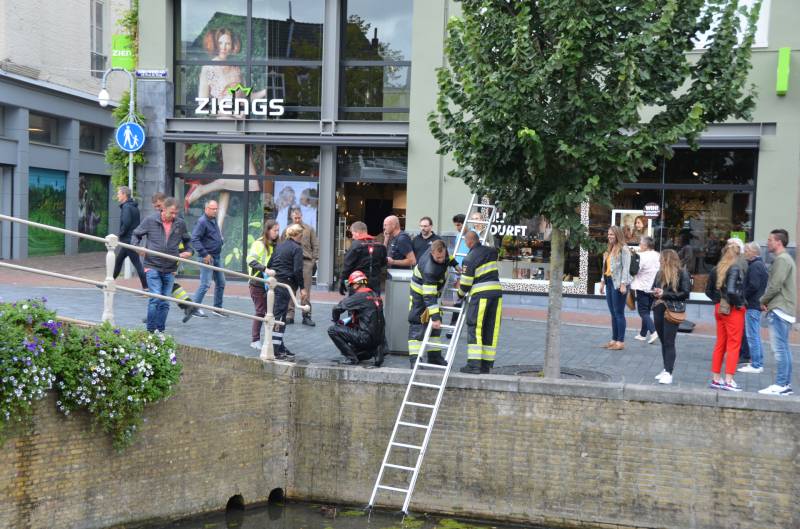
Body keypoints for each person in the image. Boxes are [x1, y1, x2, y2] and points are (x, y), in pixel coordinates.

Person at [183, 28, 264, 228]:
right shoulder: (208, 69)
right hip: (226, 123)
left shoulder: (237, 68)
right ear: (214, 44)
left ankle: (218, 228)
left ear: (233, 44)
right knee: (245, 177)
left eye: (228, 43)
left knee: (232, 176)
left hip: (240, 123)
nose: (225, 47)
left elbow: (244, 97)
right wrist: (229, 111)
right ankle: (200, 191)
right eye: (221, 43)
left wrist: (263, 92)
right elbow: (204, 103)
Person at [131, 197, 193, 333]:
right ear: (163, 209)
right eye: (172, 212)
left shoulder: (180, 224)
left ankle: (160, 331)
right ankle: (151, 331)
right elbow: (136, 235)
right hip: (152, 265)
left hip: (170, 268)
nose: (174, 216)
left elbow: (188, 241)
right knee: (156, 298)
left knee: (165, 302)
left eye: (176, 213)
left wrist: (188, 252)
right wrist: (137, 248)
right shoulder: (150, 220)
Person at [457, 230, 503, 374]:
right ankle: (486, 365)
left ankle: (474, 365)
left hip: (481, 295)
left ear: (469, 242)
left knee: (475, 327)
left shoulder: (468, 259)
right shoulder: (491, 252)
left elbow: (465, 284)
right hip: (497, 294)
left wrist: (459, 294)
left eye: (466, 242)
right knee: (491, 329)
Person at [758, 229, 797, 396]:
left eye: (770, 240)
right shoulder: (787, 259)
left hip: (780, 309)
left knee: (779, 349)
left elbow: (775, 285)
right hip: (785, 308)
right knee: (784, 349)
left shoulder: (782, 260)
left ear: (778, 242)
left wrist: (763, 300)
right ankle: (785, 384)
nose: (768, 243)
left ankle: (781, 384)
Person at [706, 241, 747, 391]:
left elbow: (708, 291)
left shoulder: (717, 268)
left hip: (719, 309)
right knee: (734, 345)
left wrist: (718, 301)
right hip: (732, 310)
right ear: (737, 254)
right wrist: (740, 304)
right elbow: (731, 291)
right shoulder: (735, 267)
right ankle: (729, 380)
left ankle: (716, 378)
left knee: (720, 344)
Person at [328, 270, 387, 366]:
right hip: (378, 340)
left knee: (332, 330)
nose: (351, 288)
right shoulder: (376, 296)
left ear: (356, 284)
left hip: (365, 338)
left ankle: (351, 359)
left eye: (351, 285)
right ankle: (375, 351)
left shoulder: (359, 296)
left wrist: (336, 320)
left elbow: (337, 308)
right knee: (354, 347)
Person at [408, 240, 452, 367]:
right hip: (420, 294)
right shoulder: (429, 269)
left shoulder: (441, 250)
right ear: (432, 253)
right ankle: (415, 360)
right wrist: (435, 318)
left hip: (432, 292)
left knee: (435, 327)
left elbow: (448, 257)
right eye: (438, 258)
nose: (441, 260)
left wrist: (453, 263)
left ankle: (434, 356)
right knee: (417, 322)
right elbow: (429, 296)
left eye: (442, 257)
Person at [651, 249, 691, 384]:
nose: (659, 261)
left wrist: (664, 294)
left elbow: (685, 294)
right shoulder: (659, 273)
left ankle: (669, 372)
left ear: (667, 259)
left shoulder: (682, 273)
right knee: (663, 340)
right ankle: (665, 368)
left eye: (661, 258)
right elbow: (653, 288)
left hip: (672, 310)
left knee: (669, 341)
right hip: (658, 308)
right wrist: (655, 292)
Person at [268, 223, 307, 360]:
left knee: (276, 315)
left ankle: (279, 345)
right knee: (280, 318)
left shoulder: (279, 245)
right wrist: (302, 288)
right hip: (286, 285)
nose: (302, 238)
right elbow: (297, 270)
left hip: (275, 283)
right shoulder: (297, 248)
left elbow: (269, 264)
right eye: (301, 235)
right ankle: (276, 349)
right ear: (297, 235)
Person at [187, 200, 226, 318]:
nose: (215, 211)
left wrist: (220, 240)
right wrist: (204, 254)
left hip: (216, 257)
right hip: (207, 258)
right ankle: (194, 309)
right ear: (206, 209)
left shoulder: (212, 220)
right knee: (205, 284)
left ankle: (217, 309)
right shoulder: (202, 222)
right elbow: (194, 239)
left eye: (216, 209)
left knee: (221, 282)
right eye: (212, 209)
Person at [247, 219, 280, 350]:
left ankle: (267, 339)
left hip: (269, 283)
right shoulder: (258, 243)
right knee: (260, 311)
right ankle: (255, 340)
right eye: (274, 230)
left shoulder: (275, 245)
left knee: (268, 312)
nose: (277, 233)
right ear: (267, 230)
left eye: (278, 230)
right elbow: (250, 260)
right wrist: (265, 269)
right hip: (257, 282)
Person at [738, 241, 768, 374]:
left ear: (755, 252)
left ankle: (756, 364)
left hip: (753, 304)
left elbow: (753, 285)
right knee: (754, 334)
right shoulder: (759, 264)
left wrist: (743, 295)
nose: (745, 252)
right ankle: (757, 362)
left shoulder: (755, 266)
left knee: (752, 335)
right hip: (755, 304)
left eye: (747, 250)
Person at [285, 206, 319, 326]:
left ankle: (306, 315)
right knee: (291, 288)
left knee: (306, 291)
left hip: (306, 262)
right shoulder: (287, 229)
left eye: (299, 217)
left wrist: (313, 260)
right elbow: (283, 245)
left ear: (302, 216)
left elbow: (315, 245)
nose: (297, 220)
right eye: (295, 218)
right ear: (291, 216)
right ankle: (290, 315)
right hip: (291, 262)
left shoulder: (309, 229)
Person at [600, 225, 632, 350]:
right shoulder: (610, 248)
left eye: (612, 234)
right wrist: (602, 282)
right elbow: (605, 267)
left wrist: (623, 284)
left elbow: (626, 268)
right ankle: (614, 339)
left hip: (618, 284)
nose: (609, 236)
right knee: (613, 313)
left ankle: (621, 341)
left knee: (619, 313)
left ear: (618, 235)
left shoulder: (624, 249)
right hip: (608, 282)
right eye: (608, 234)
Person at [111, 185, 148, 290]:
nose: (117, 195)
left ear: (124, 195)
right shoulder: (133, 207)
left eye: (119, 193)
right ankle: (109, 282)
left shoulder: (126, 207)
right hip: (131, 239)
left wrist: (120, 234)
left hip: (128, 240)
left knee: (137, 264)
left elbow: (126, 223)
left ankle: (146, 287)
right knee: (119, 261)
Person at [340, 221, 388, 295]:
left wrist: (342, 281)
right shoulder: (380, 246)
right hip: (375, 282)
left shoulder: (355, 245)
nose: (352, 237)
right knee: (374, 303)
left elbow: (347, 266)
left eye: (353, 234)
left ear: (357, 232)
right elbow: (383, 263)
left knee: (357, 303)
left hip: (358, 282)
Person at [630, 236, 660, 344]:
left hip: (642, 286)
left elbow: (634, 271)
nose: (639, 245)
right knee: (646, 311)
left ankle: (653, 332)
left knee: (643, 312)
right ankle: (643, 334)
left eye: (640, 243)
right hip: (653, 287)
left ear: (645, 245)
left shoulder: (641, 256)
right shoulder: (658, 255)